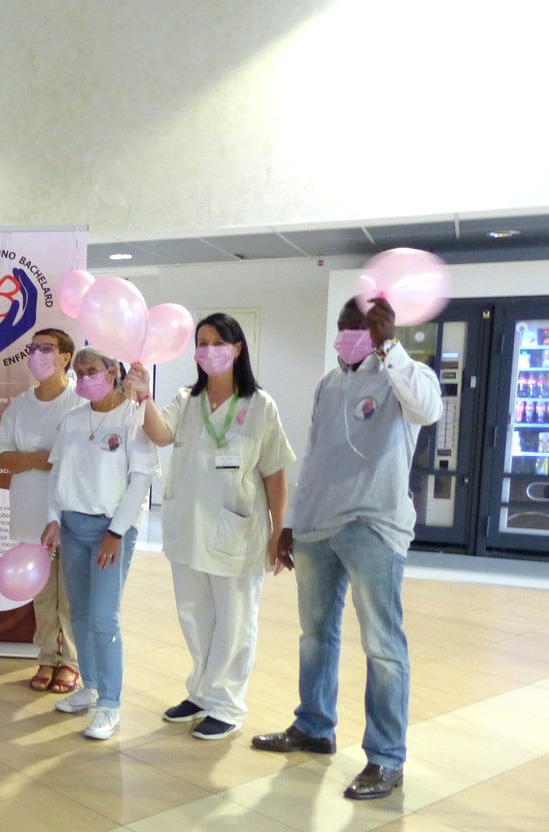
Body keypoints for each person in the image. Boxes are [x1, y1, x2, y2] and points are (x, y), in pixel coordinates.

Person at [251, 297, 442, 800]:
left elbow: (428, 409)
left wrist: (390, 347)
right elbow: (315, 455)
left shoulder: (404, 374)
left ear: (383, 330)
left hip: (373, 526)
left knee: (382, 644)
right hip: (317, 527)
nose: (350, 334)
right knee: (315, 634)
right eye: (345, 326)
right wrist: (291, 522)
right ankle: (314, 726)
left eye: (362, 326)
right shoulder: (329, 383)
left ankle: (385, 757)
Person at [125, 314, 295, 741]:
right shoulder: (187, 399)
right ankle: (201, 692)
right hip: (189, 528)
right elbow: (160, 435)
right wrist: (143, 396)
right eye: (200, 343)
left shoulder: (259, 406)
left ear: (237, 348)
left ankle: (227, 703)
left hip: (237, 532)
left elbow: (274, 473)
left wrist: (278, 531)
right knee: (195, 616)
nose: (206, 350)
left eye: (217, 342)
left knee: (234, 620)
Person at [41, 348, 158, 739]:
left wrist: (116, 532)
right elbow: (58, 474)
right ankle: (88, 687)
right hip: (72, 527)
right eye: (79, 372)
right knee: (80, 613)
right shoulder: (73, 420)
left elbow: (141, 480)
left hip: (111, 531)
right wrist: (54, 521)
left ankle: (110, 703)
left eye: (92, 371)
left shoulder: (132, 417)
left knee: (104, 618)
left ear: (112, 372)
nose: (84, 378)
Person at [0, 328, 83, 693]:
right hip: (30, 510)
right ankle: (46, 658)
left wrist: (47, 460)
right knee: (44, 597)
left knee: (71, 595)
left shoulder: (80, 402)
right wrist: (39, 457)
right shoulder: (19, 404)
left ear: (65, 357)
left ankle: (72, 663)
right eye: (32, 349)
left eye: (46, 348)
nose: (37, 355)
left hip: (72, 512)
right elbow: (4, 457)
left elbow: (84, 459)